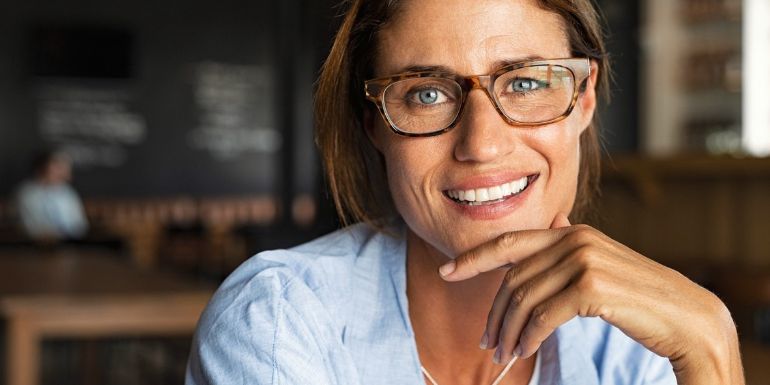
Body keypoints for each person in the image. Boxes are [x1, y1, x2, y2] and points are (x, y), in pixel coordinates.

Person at [187, 0, 745, 384]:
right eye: (426, 94)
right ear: (374, 125)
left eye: (525, 82)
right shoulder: (279, 319)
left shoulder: (638, 348)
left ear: (586, 98)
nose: (481, 145)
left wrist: (711, 350)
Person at [15, 150, 89, 242]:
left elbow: (80, 225)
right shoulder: (27, 193)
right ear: (41, 168)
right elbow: (32, 228)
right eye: (57, 166)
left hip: (71, 244)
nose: (63, 172)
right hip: (36, 248)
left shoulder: (68, 193)